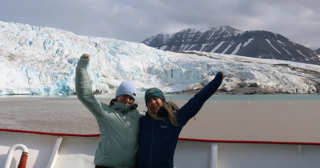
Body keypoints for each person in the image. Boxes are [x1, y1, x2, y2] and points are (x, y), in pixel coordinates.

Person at [136, 71, 225, 168]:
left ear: (162, 100)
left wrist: (216, 82)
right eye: (149, 101)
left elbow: (197, 100)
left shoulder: (173, 119)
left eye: (155, 98)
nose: (153, 102)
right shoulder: (143, 121)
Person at [75, 54, 141, 168]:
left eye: (131, 98)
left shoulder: (138, 116)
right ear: (117, 96)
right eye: (125, 96)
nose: (127, 100)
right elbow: (84, 95)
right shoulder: (105, 112)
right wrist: (82, 66)